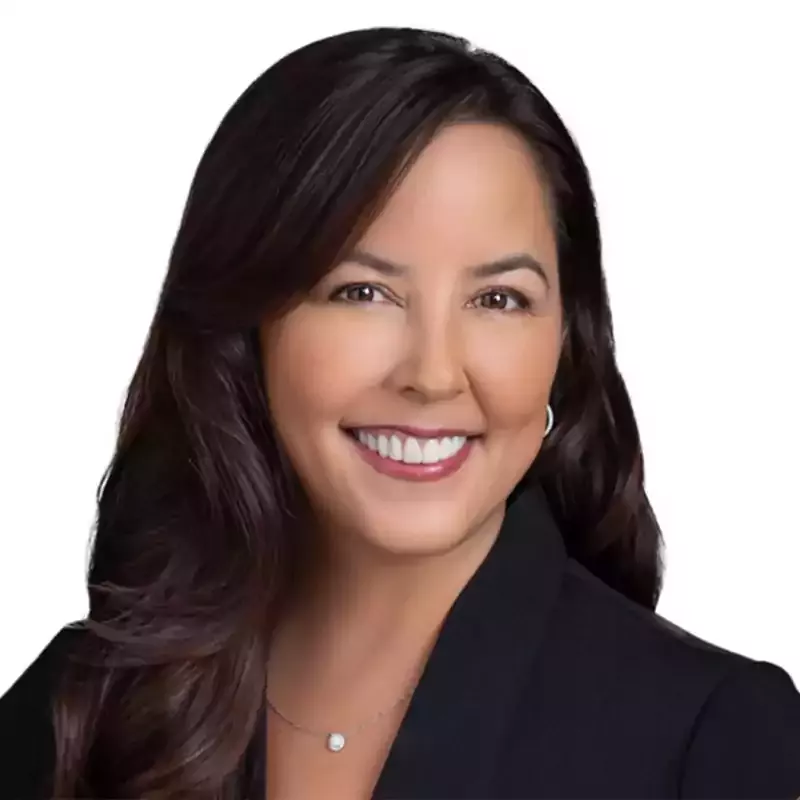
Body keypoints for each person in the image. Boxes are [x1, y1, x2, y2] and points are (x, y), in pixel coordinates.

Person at [1, 25, 799, 800]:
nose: (433, 373)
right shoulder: (86, 706)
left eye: (499, 299)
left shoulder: (716, 739)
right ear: (247, 337)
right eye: (363, 291)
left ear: (566, 346)